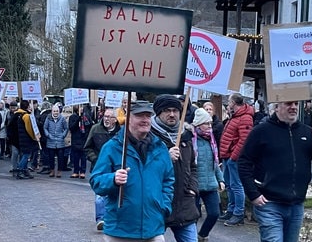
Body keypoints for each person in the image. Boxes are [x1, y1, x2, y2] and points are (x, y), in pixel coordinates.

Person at [238, 101, 312, 242]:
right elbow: (244, 162)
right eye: (288, 103)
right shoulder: (261, 131)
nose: (293, 107)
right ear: (276, 107)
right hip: (269, 203)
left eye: (295, 104)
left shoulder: (306, 131)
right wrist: (253, 194)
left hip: (296, 204)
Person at [89, 101, 174, 241]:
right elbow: (96, 181)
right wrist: (113, 179)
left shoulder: (160, 148)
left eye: (148, 116)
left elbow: (168, 180)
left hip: (153, 228)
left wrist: (163, 207)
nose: (145, 120)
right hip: (120, 230)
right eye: (140, 115)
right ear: (128, 118)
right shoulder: (112, 147)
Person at [150, 94, 200, 242]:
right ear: (159, 113)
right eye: (167, 110)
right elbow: (143, 168)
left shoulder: (185, 136)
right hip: (158, 205)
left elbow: (193, 167)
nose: (172, 114)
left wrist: (192, 189)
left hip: (185, 206)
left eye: (175, 110)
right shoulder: (149, 137)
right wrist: (166, 158)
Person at [219, 92, 254, 226]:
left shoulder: (245, 117)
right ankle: (231, 209)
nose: (228, 103)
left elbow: (244, 140)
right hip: (228, 156)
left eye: (229, 101)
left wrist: (234, 157)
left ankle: (238, 213)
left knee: (236, 185)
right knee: (229, 184)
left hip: (233, 157)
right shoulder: (235, 116)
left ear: (234, 102)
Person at [191, 108, 225, 241]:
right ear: (198, 125)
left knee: (214, 213)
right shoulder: (190, 140)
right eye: (207, 124)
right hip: (194, 185)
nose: (210, 127)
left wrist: (220, 179)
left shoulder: (211, 140)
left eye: (210, 124)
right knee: (194, 215)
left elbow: (215, 162)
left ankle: (202, 235)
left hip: (210, 183)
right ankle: (191, 238)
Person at [84, 108, 120, 231]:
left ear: (115, 120)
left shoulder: (121, 132)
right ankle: (101, 219)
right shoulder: (95, 129)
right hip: (99, 168)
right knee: (100, 195)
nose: (106, 119)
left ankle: (113, 217)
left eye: (110, 117)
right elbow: (88, 148)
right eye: (105, 116)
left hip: (115, 169)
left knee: (115, 194)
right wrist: (95, 159)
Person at [13, 100, 40, 180]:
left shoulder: (18, 114)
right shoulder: (26, 116)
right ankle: (20, 170)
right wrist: (34, 137)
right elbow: (29, 128)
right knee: (26, 155)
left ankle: (24, 170)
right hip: (26, 138)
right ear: (27, 106)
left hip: (21, 138)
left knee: (24, 154)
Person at [68, 104, 93, 179]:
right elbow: (71, 128)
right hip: (76, 139)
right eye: (79, 107)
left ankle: (82, 171)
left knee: (83, 156)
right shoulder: (73, 117)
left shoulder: (86, 116)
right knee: (76, 156)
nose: (81, 109)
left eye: (82, 107)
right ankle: (76, 171)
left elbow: (89, 125)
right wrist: (78, 120)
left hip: (83, 138)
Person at [43, 105, 68, 178]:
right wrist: (48, 135)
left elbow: (66, 128)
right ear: (52, 111)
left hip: (60, 141)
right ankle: (52, 170)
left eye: (57, 111)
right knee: (51, 157)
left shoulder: (62, 118)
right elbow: (45, 127)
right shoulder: (48, 118)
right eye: (54, 111)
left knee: (60, 157)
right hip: (51, 141)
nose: (55, 113)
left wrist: (63, 135)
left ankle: (59, 171)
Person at [37, 101, 52, 174]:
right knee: (47, 152)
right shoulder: (49, 114)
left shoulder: (44, 115)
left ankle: (47, 167)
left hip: (44, 136)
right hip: (48, 136)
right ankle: (47, 166)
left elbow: (42, 126)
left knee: (45, 152)